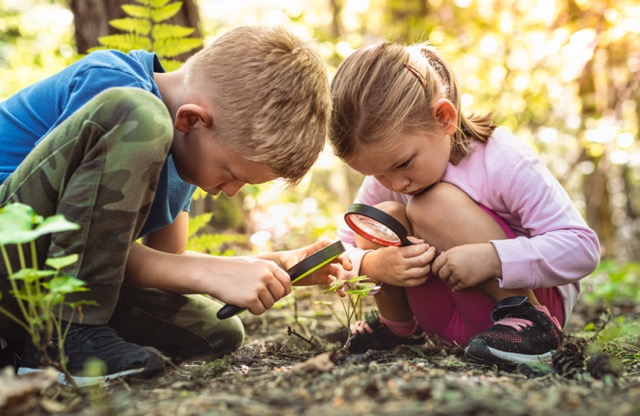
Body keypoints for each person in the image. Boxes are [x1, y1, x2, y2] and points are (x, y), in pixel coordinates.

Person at [0, 26, 349, 383]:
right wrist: (211, 274)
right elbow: (70, 230)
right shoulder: (122, 98)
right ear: (192, 120)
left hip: (40, 281)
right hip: (10, 241)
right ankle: (63, 343)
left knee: (215, 329)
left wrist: (274, 264)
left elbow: (162, 263)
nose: (229, 192)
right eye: (231, 173)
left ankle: (21, 347)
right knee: (139, 115)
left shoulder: (187, 152)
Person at [328, 41, 600, 364]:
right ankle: (396, 329)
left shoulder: (501, 160)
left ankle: (531, 326)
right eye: (377, 174)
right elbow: (338, 253)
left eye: (403, 165)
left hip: (530, 308)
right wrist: (373, 265)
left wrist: (493, 259)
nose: (396, 184)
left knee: (431, 206)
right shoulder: (388, 175)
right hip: (441, 319)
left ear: (444, 118)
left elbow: (583, 248)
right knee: (380, 216)